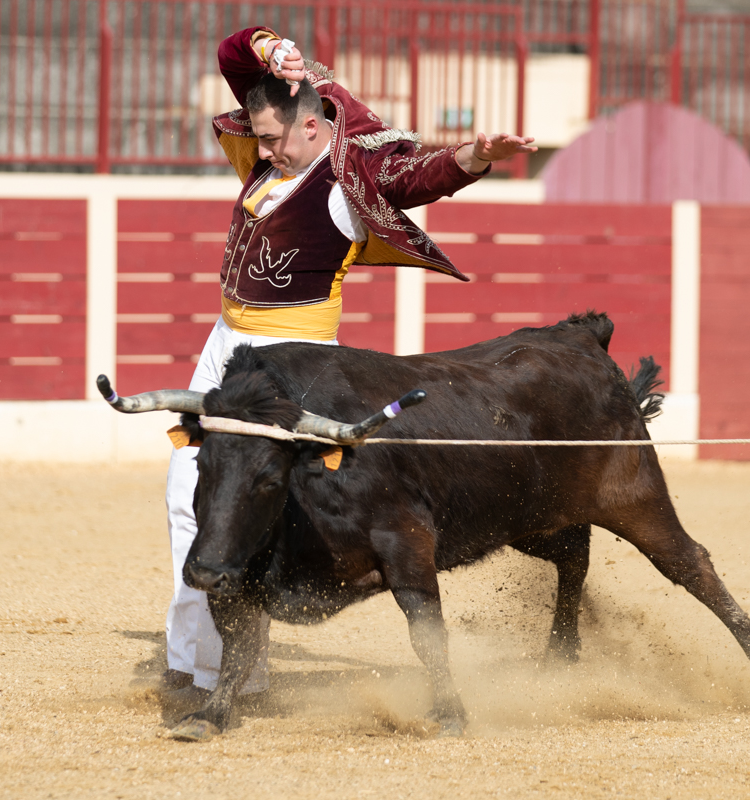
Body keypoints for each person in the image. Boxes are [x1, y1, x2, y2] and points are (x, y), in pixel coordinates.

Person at [163, 25, 537, 695]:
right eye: (260, 138)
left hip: (290, 355)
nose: (263, 149)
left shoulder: (348, 174)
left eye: (276, 139)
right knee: (188, 495)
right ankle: (193, 658)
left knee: (244, 502)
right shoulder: (276, 145)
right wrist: (269, 47)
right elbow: (229, 53)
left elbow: (416, 175)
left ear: (314, 126)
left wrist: (475, 156)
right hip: (226, 342)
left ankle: (228, 675)